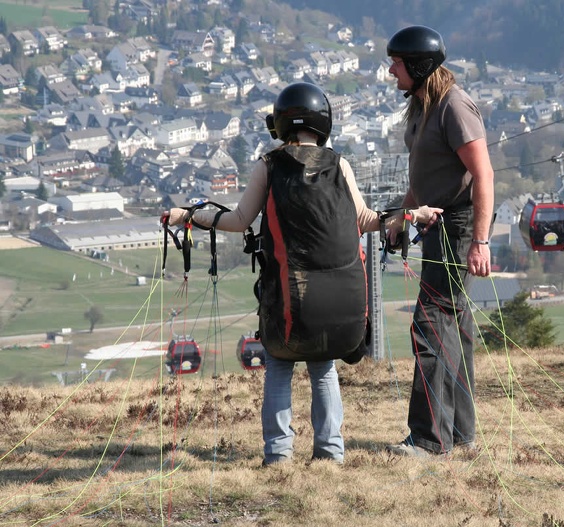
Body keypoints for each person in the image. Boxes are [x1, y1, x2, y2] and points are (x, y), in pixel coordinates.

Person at [166, 82, 441, 465]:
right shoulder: (340, 164)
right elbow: (364, 220)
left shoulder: (269, 165)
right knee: (323, 367)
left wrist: (191, 216)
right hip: (342, 301)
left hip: (290, 297)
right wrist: (411, 214)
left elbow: (239, 220)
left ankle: (278, 454)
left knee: (279, 363)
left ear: (280, 124)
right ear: (322, 124)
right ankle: (330, 451)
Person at [384, 26, 495, 457]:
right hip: (435, 223)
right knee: (453, 328)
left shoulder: (454, 106)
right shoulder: (422, 105)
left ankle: (430, 440)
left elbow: (483, 176)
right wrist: (402, 216)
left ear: (417, 66)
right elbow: (425, 176)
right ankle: (460, 434)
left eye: (396, 63)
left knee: (431, 325)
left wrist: (480, 242)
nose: (391, 70)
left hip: (459, 225)